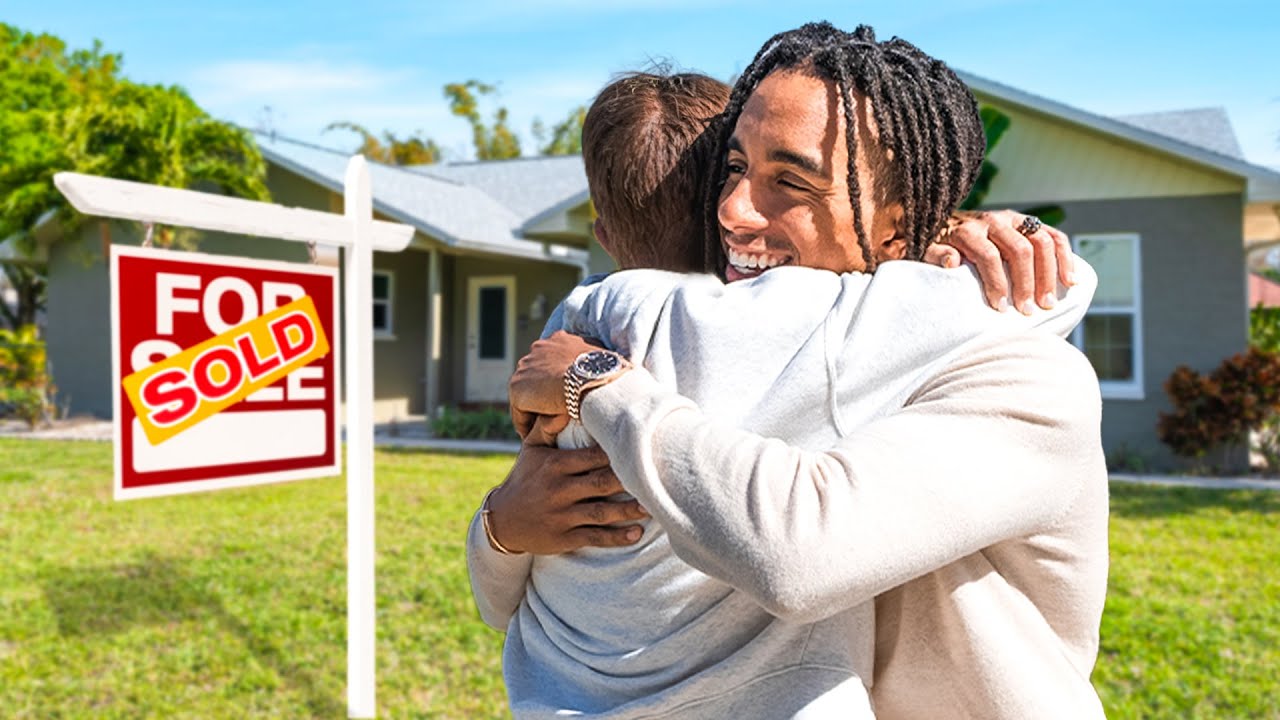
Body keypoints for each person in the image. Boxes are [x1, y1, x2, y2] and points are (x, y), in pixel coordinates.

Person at [472, 23, 1106, 720]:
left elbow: (798, 557)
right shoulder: (742, 355)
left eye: (791, 180)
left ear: (900, 226)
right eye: (733, 168)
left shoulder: (1028, 381)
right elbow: (526, 582)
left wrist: (597, 383)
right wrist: (502, 525)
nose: (730, 210)